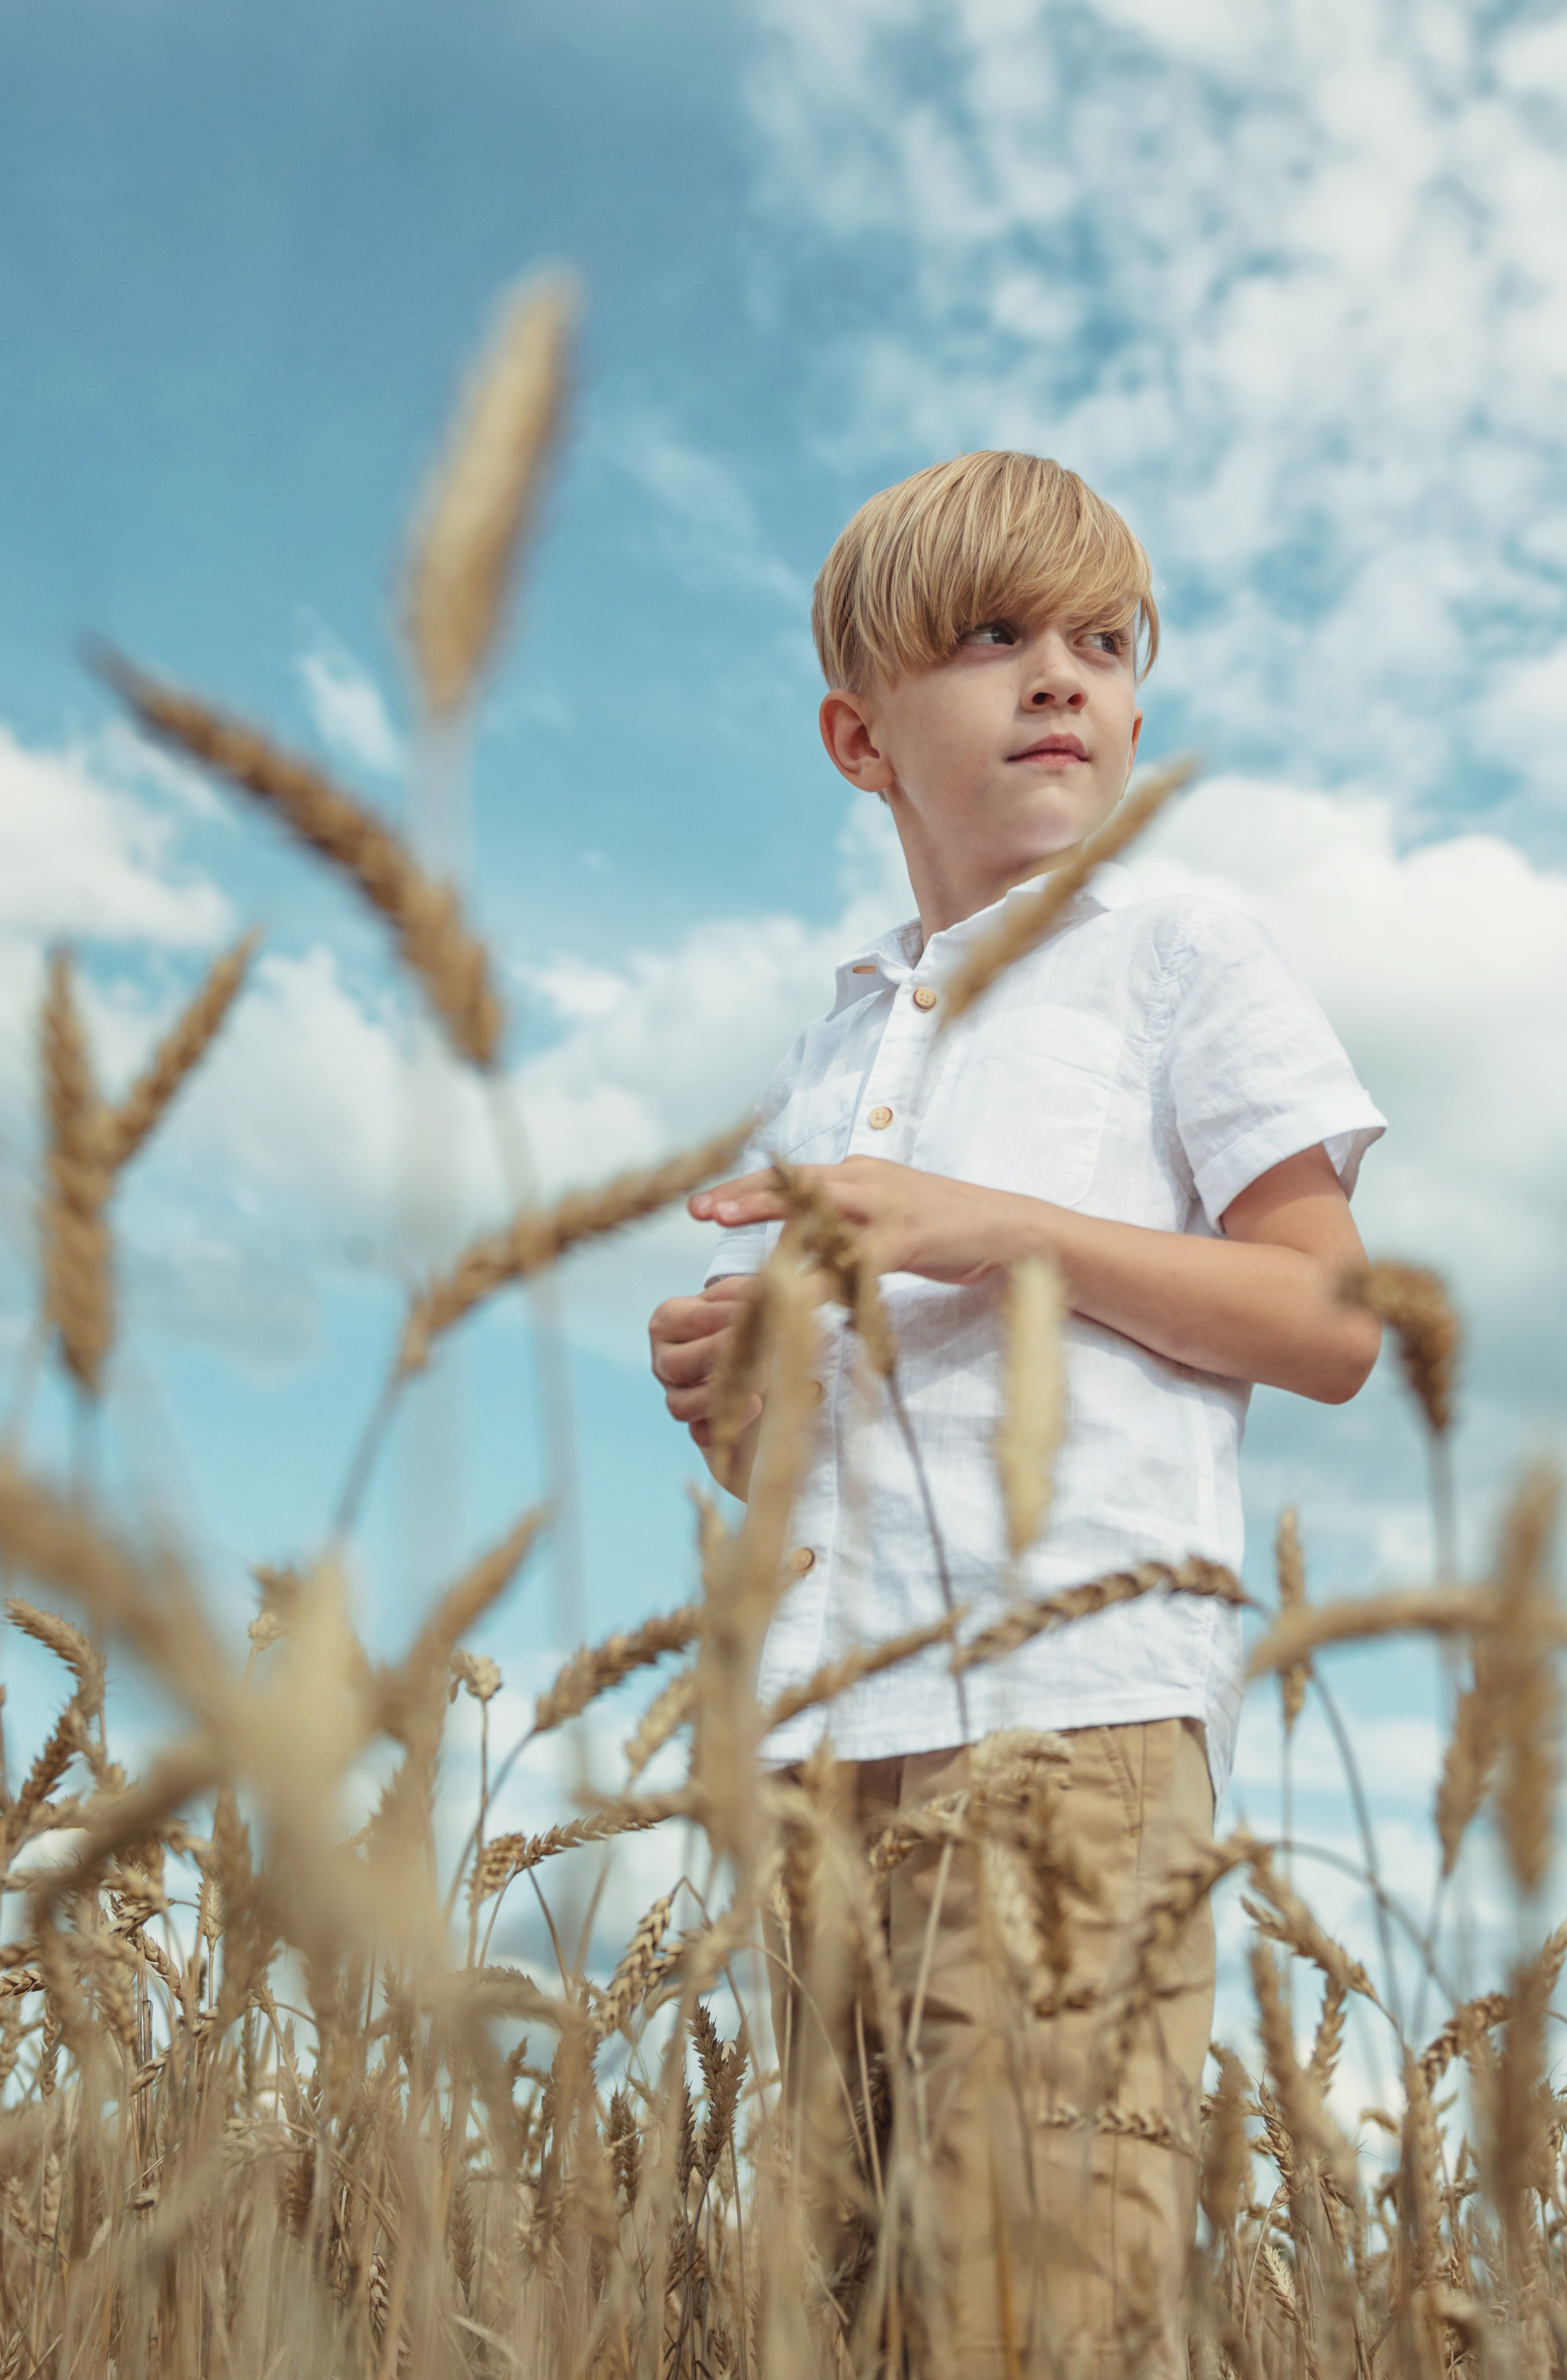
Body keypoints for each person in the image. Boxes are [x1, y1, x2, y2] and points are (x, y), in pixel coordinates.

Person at [647, 451, 1384, 2375]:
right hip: (825, 1740)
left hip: (1071, 1734)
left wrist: (1004, 1228)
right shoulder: (836, 1041)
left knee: (1037, 2304)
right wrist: (733, 1390)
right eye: (992, 638)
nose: (1062, 675)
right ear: (860, 735)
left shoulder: (1177, 960)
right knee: (845, 2314)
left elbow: (1328, 1316)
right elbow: (814, 1448)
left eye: (1103, 640)